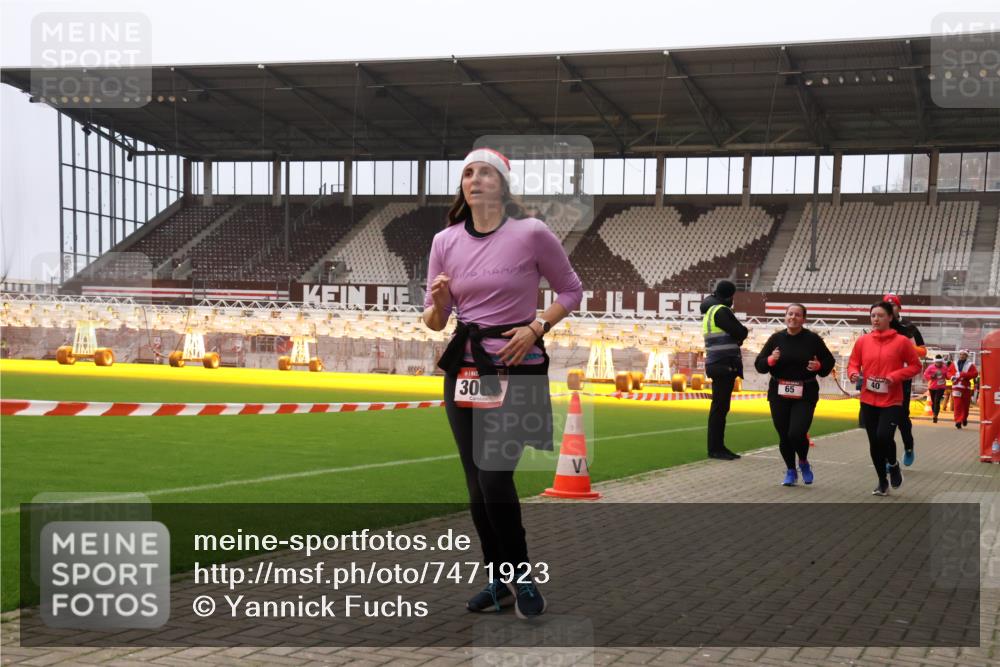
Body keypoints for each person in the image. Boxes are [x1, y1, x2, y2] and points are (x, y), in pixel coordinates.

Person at [422, 147, 582, 618]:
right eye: (467, 173)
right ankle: (500, 584)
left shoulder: (531, 233)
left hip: (517, 368)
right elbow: (435, 322)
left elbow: (571, 290)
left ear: (503, 185)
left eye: (485, 172)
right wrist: (438, 301)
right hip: (464, 372)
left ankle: (523, 577)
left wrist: (536, 327)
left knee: (495, 478)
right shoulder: (444, 241)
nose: (474, 179)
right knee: (476, 487)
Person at [754, 303, 836, 486]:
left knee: (797, 433)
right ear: (785, 316)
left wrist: (819, 366)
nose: (793, 317)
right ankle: (790, 470)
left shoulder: (813, 339)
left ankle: (804, 462)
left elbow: (829, 361)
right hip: (779, 392)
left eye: (797, 315)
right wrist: (770, 360)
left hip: (804, 393)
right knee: (784, 435)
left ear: (803, 319)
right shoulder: (776, 338)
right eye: (790, 314)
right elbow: (759, 365)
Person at [848, 301, 921, 496]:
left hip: (892, 399)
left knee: (883, 436)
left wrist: (895, 376)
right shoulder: (863, 341)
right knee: (874, 442)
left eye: (880, 315)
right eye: (873, 316)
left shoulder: (902, 341)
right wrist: (853, 373)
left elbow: (915, 366)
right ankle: (882, 481)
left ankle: (893, 464)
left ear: (890, 317)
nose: (875, 319)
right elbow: (853, 363)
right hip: (868, 399)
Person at [700, 280, 749, 460]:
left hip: (716, 362)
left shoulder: (710, 311)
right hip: (723, 364)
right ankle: (716, 448)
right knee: (720, 408)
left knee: (719, 407)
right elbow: (741, 332)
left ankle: (717, 447)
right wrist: (741, 334)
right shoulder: (721, 311)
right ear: (729, 295)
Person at [884, 293, 925, 466]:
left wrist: (907, 347)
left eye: (893, 306)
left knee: (901, 417)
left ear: (899, 308)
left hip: (903, 379)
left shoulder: (909, 327)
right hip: (883, 378)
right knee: (885, 420)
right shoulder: (880, 325)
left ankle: (908, 446)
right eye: (887, 306)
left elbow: (923, 351)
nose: (890, 309)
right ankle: (888, 457)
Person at [951, 349, 979, 429]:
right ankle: (958, 421)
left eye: (964, 355)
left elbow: (975, 374)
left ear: (966, 356)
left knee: (965, 405)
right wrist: (952, 377)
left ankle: (964, 418)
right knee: (957, 404)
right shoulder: (954, 364)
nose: (962, 356)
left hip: (966, 387)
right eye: (961, 354)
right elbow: (949, 372)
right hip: (956, 387)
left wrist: (964, 374)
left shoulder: (971, 365)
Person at [923, 355, 954, 423]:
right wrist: (931, 376)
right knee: (934, 402)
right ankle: (934, 413)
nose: (938, 363)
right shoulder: (930, 367)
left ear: (942, 362)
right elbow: (925, 375)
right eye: (937, 362)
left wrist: (951, 377)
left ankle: (935, 415)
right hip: (932, 387)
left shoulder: (944, 367)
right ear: (935, 362)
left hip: (941, 387)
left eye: (940, 362)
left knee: (937, 401)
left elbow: (947, 375)